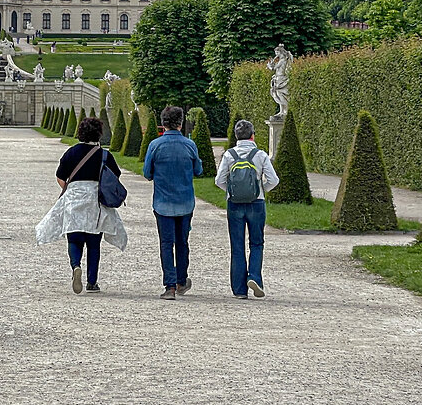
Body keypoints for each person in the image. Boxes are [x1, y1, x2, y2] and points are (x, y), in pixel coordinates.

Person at [36, 117, 127, 294]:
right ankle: (92, 282)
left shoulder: (71, 152)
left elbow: (60, 177)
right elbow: (115, 176)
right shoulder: (104, 155)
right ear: (99, 134)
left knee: (75, 239)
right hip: (95, 203)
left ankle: (75, 266)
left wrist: (71, 190)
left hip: (74, 200)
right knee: (94, 243)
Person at [141, 106, 203, 300]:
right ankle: (181, 280)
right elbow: (199, 170)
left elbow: (147, 173)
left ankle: (169, 286)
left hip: (163, 203)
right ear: (180, 122)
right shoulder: (189, 145)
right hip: (185, 202)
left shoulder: (155, 145)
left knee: (166, 244)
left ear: (163, 123)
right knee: (182, 243)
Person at [215, 119, 280, 299]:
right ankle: (255, 277)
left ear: (236, 136)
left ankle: (239, 290)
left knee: (237, 246)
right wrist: (260, 190)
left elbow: (219, 181)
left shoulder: (229, 155)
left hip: (234, 204)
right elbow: (274, 180)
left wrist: (232, 192)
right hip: (256, 203)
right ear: (252, 136)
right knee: (257, 243)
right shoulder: (260, 155)